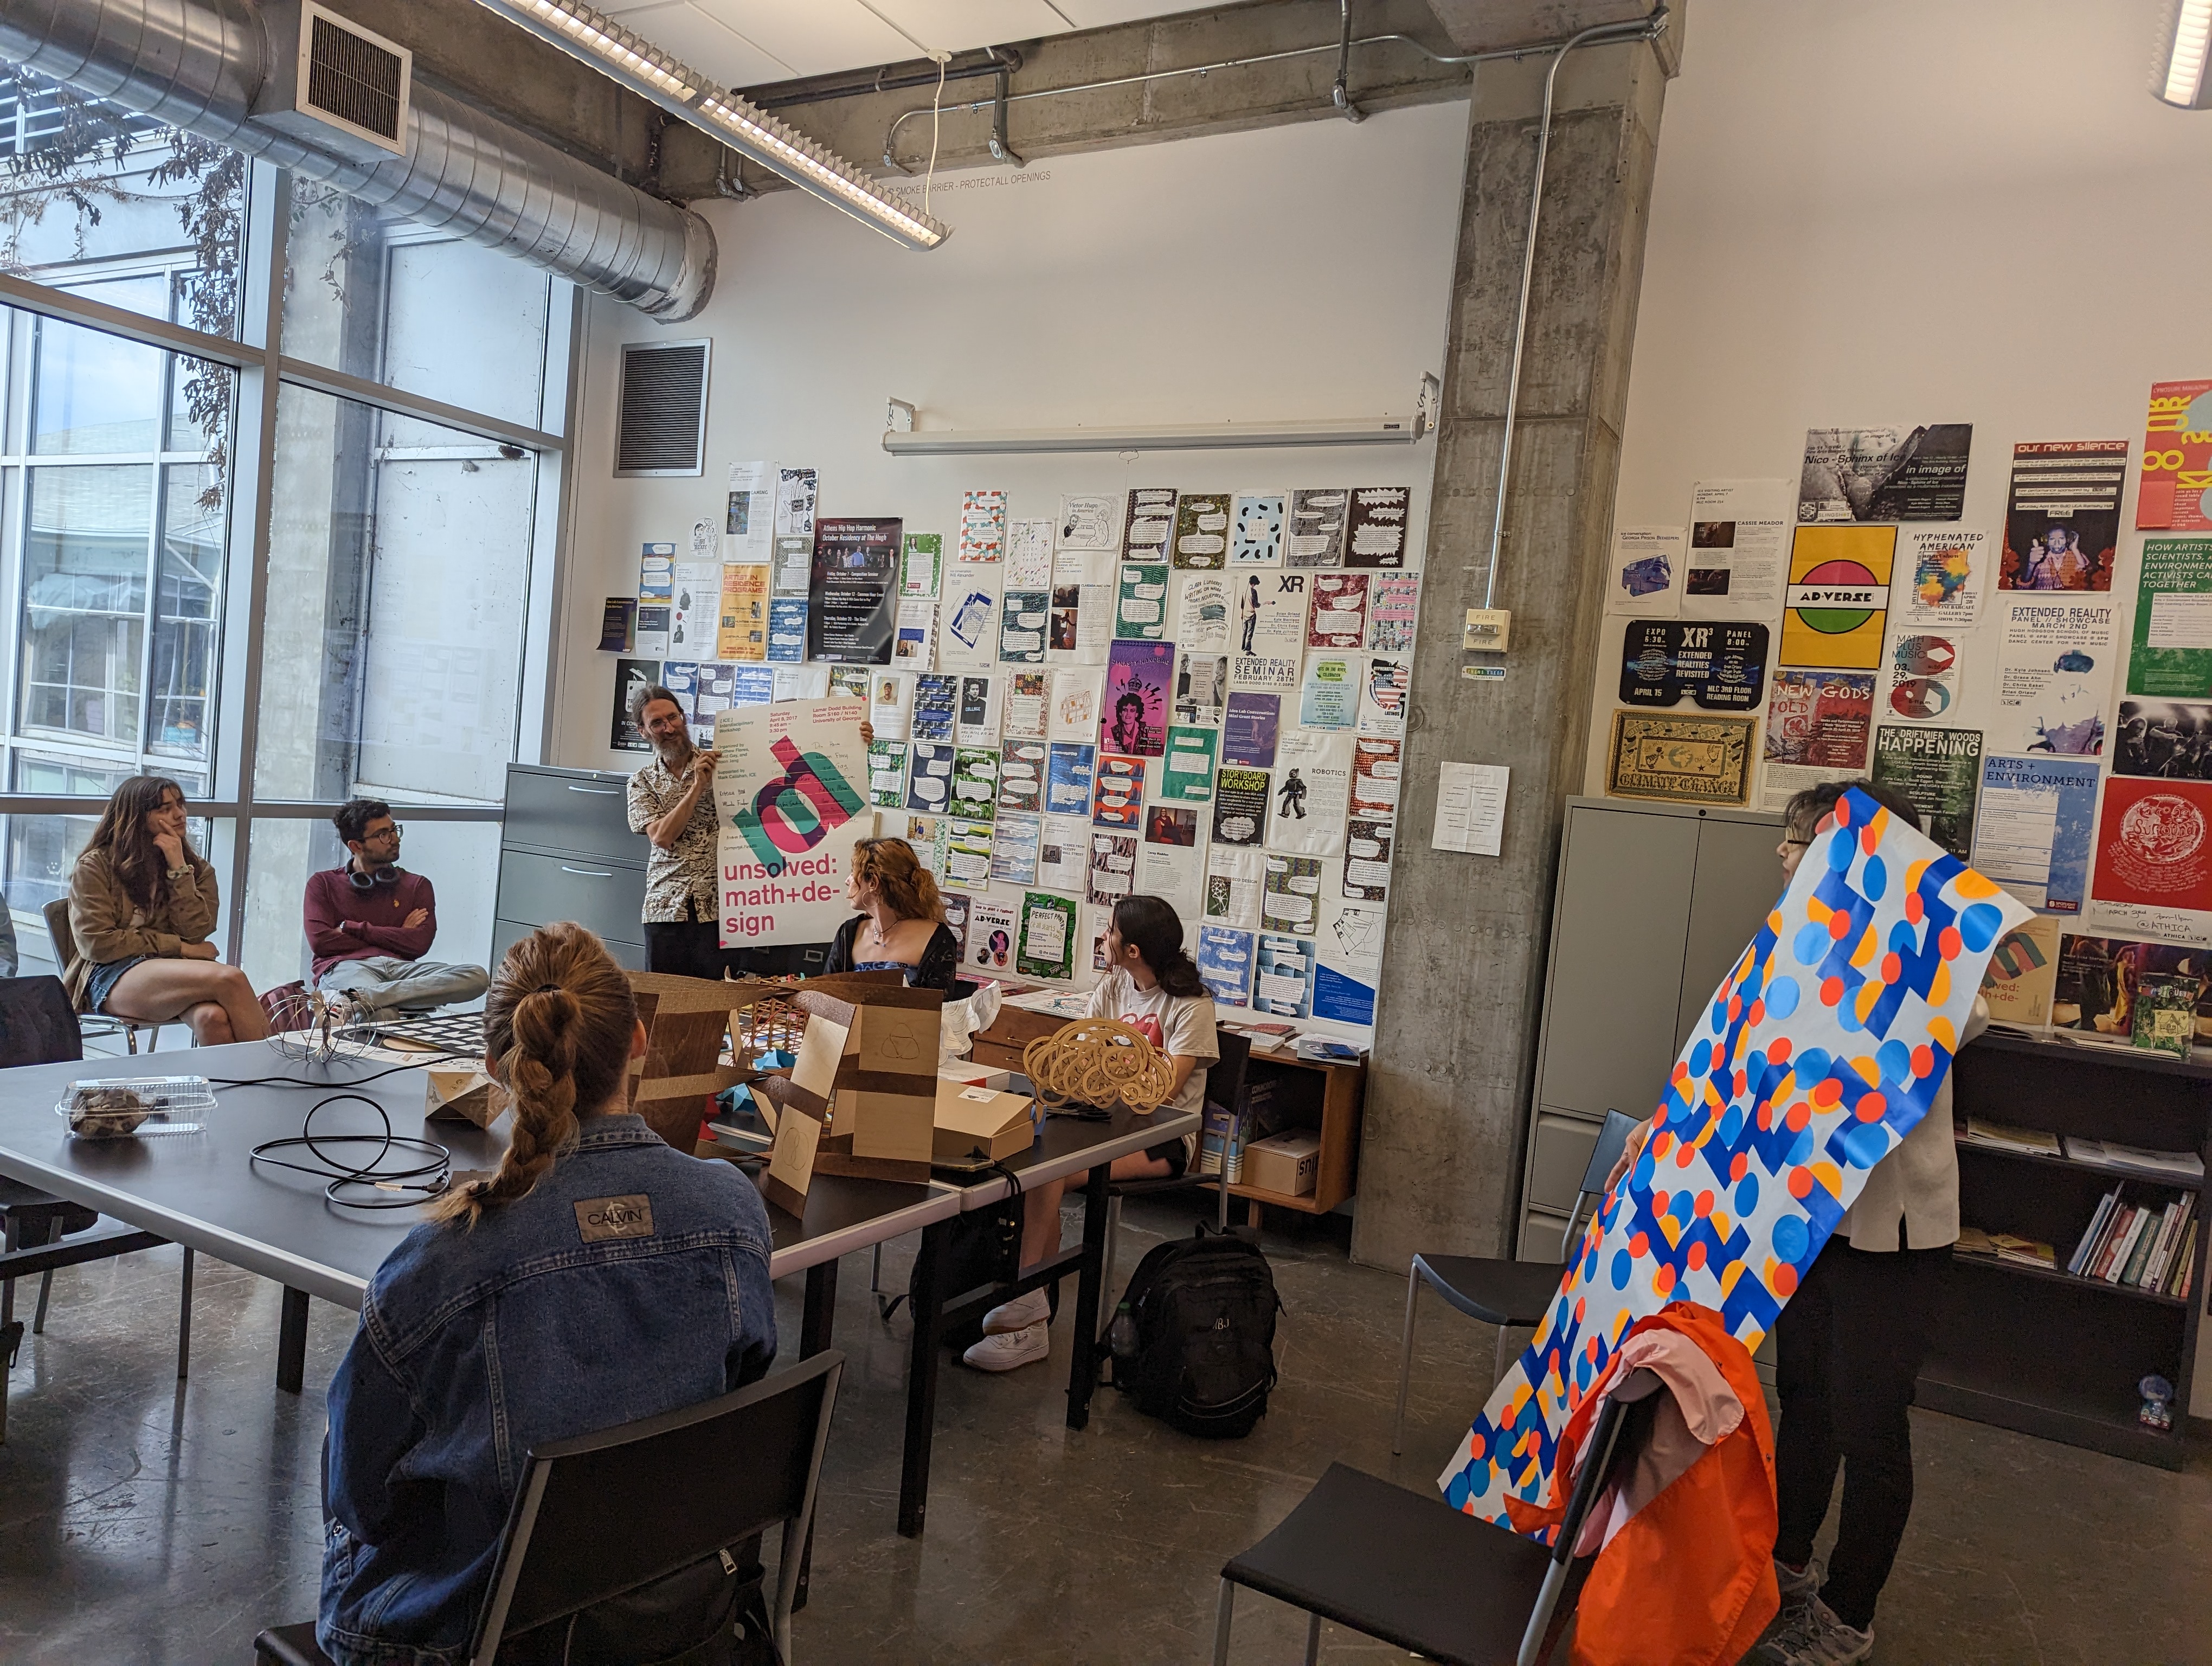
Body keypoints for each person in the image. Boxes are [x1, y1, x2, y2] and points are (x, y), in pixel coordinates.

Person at [318, 922, 778, 1666]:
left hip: (478, 1635)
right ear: (638, 1039)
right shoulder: (733, 1211)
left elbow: (358, 1496)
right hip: (673, 1611)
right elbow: (739, 1389)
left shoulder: (445, 1258)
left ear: (495, 1066)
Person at [1606, 779, 1983, 1666]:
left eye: (1799, 845)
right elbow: (1734, 1061)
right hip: (1807, 1221)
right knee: (1804, 1397)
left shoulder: (1930, 949)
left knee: (1869, 1420)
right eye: (1787, 844)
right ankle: (1787, 1566)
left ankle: (1849, 1615)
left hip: (1892, 1236)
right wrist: (1660, 1135)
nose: (1783, 859)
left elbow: (1955, 1021)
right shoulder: (1791, 949)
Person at [963, 894, 1218, 1373]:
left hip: (1161, 1137)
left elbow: (1166, 1087)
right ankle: (1030, 1316)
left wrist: (1107, 1065)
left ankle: (1026, 1299)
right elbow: (1081, 1059)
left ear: (1134, 949)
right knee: (1034, 1161)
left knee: (1050, 1175)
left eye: (1111, 932)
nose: (1105, 937)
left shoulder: (1191, 1006)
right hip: (1103, 1121)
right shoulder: (1115, 984)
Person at [626, 684, 873, 979]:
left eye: (674, 717)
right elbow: (662, 837)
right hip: (666, 908)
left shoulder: (724, 762)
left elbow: (795, 765)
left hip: (721, 909)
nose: (669, 728)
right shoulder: (641, 782)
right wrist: (697, 788)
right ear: (642, 730)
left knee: (713, 1004)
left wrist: (850, 741)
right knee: (660, 1001)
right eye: (657, 722)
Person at [62, 776, 267, 1045]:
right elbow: (96, 944)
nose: (179, 814)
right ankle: (277, 1074)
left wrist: (178, 870)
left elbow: (196, 932)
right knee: (230, 978)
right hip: (110, 974)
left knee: (212, 1017)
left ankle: (229, 1086)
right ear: (136, 816)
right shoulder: (96, 866)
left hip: (172, 971)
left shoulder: (195, 869)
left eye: (180, 804)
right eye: (164, 808)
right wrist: (180, 948)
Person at [303, 798, 490, 1017]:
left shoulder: (417, 886)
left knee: (477, 977)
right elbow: (321, 942)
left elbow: (418, 944)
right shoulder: (322, 884)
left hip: (401, 969)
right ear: (356, 846)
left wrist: (352, 929)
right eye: (383, 835)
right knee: (384, 1016)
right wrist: (399, 933)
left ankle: (360, 997)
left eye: (394, 830)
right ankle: (392, 1002)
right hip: (346, 967)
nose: (394, 840)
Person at [821, 835, 961, 995]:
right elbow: (826, 999)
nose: (848, 881)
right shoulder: (849, 933)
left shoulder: (938, 940)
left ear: (873, 883)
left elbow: (940, 1014)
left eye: (853, 872)